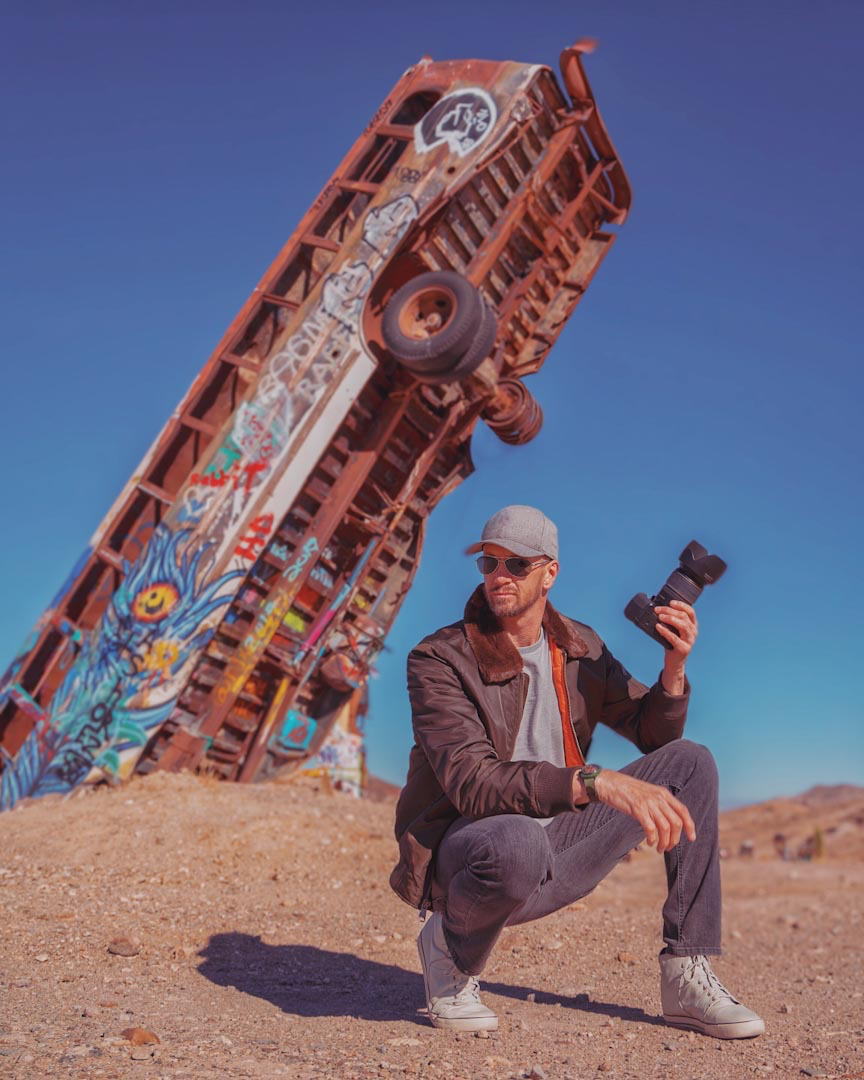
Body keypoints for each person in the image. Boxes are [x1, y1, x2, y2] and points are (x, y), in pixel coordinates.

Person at [390, 505, 765, 1040]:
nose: (499, 575)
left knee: (691, 762)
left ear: (550, 573)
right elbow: (472, 783)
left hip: (560, 848)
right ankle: (449, 949)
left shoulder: (579, 648)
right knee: (516, 838)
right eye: (489, 562)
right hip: (477, 854)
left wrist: (674, 669)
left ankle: (686, 974)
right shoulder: (440, 658)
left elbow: (654, 737)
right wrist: (593, 780)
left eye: (517, 565)